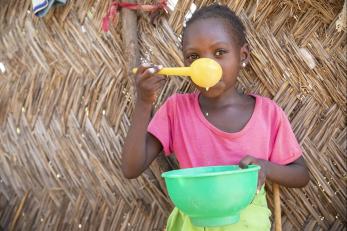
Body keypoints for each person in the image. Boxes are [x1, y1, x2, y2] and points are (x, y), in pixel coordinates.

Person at [121, 4, 310, 231]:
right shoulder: (176, 110)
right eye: (193, 56)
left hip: (247, 224)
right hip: (192, 222)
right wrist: (144, 102)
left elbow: (301, 175)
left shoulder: (268, 114)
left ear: (243, 56)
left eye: (219, 52)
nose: (206, 64)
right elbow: (131, 169)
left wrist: (266, 167)